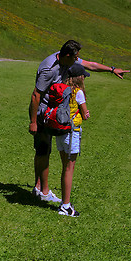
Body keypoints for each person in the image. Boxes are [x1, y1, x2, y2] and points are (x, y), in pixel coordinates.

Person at [31, 39, 123, 204]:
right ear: (67, 55)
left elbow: (90, 65)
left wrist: (112, 69)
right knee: (43, 150)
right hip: (44, 112)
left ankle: (39, 188)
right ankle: (42, 190)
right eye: (75, 58)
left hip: (58, 112)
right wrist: (33, 121)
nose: (77, 60)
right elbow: (36, 95)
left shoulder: (68, 60)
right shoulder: (48, 69)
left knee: (46, 150)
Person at [43, 66, 90, 216]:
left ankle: (65, 202)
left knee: (65, 167)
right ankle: (65, 206)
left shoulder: (61, 89)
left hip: (60, 131)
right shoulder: (78, 92)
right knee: (69, 169)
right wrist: (86, 113)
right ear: (79, 77)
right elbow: (84, 113)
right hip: (72, 131)